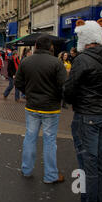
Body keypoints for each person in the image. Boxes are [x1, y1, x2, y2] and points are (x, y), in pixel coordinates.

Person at [64, 20, 102, 202]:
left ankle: (89, 201)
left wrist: (70, 98)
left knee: (88, 163)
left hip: (88, 116)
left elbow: (70, 90)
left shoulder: (82, 59)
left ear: (84, 38)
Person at [15, 36, 67, 184]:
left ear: (36, 46)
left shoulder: (26, 61)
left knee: (30, 138)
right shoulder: (57, 63)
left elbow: (18, 82)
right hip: (51, 107)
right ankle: (51, 175)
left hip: (32, 106)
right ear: (50, 47)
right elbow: (64, 85)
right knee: (49, 141)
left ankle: (26, 169)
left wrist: (28, 92)